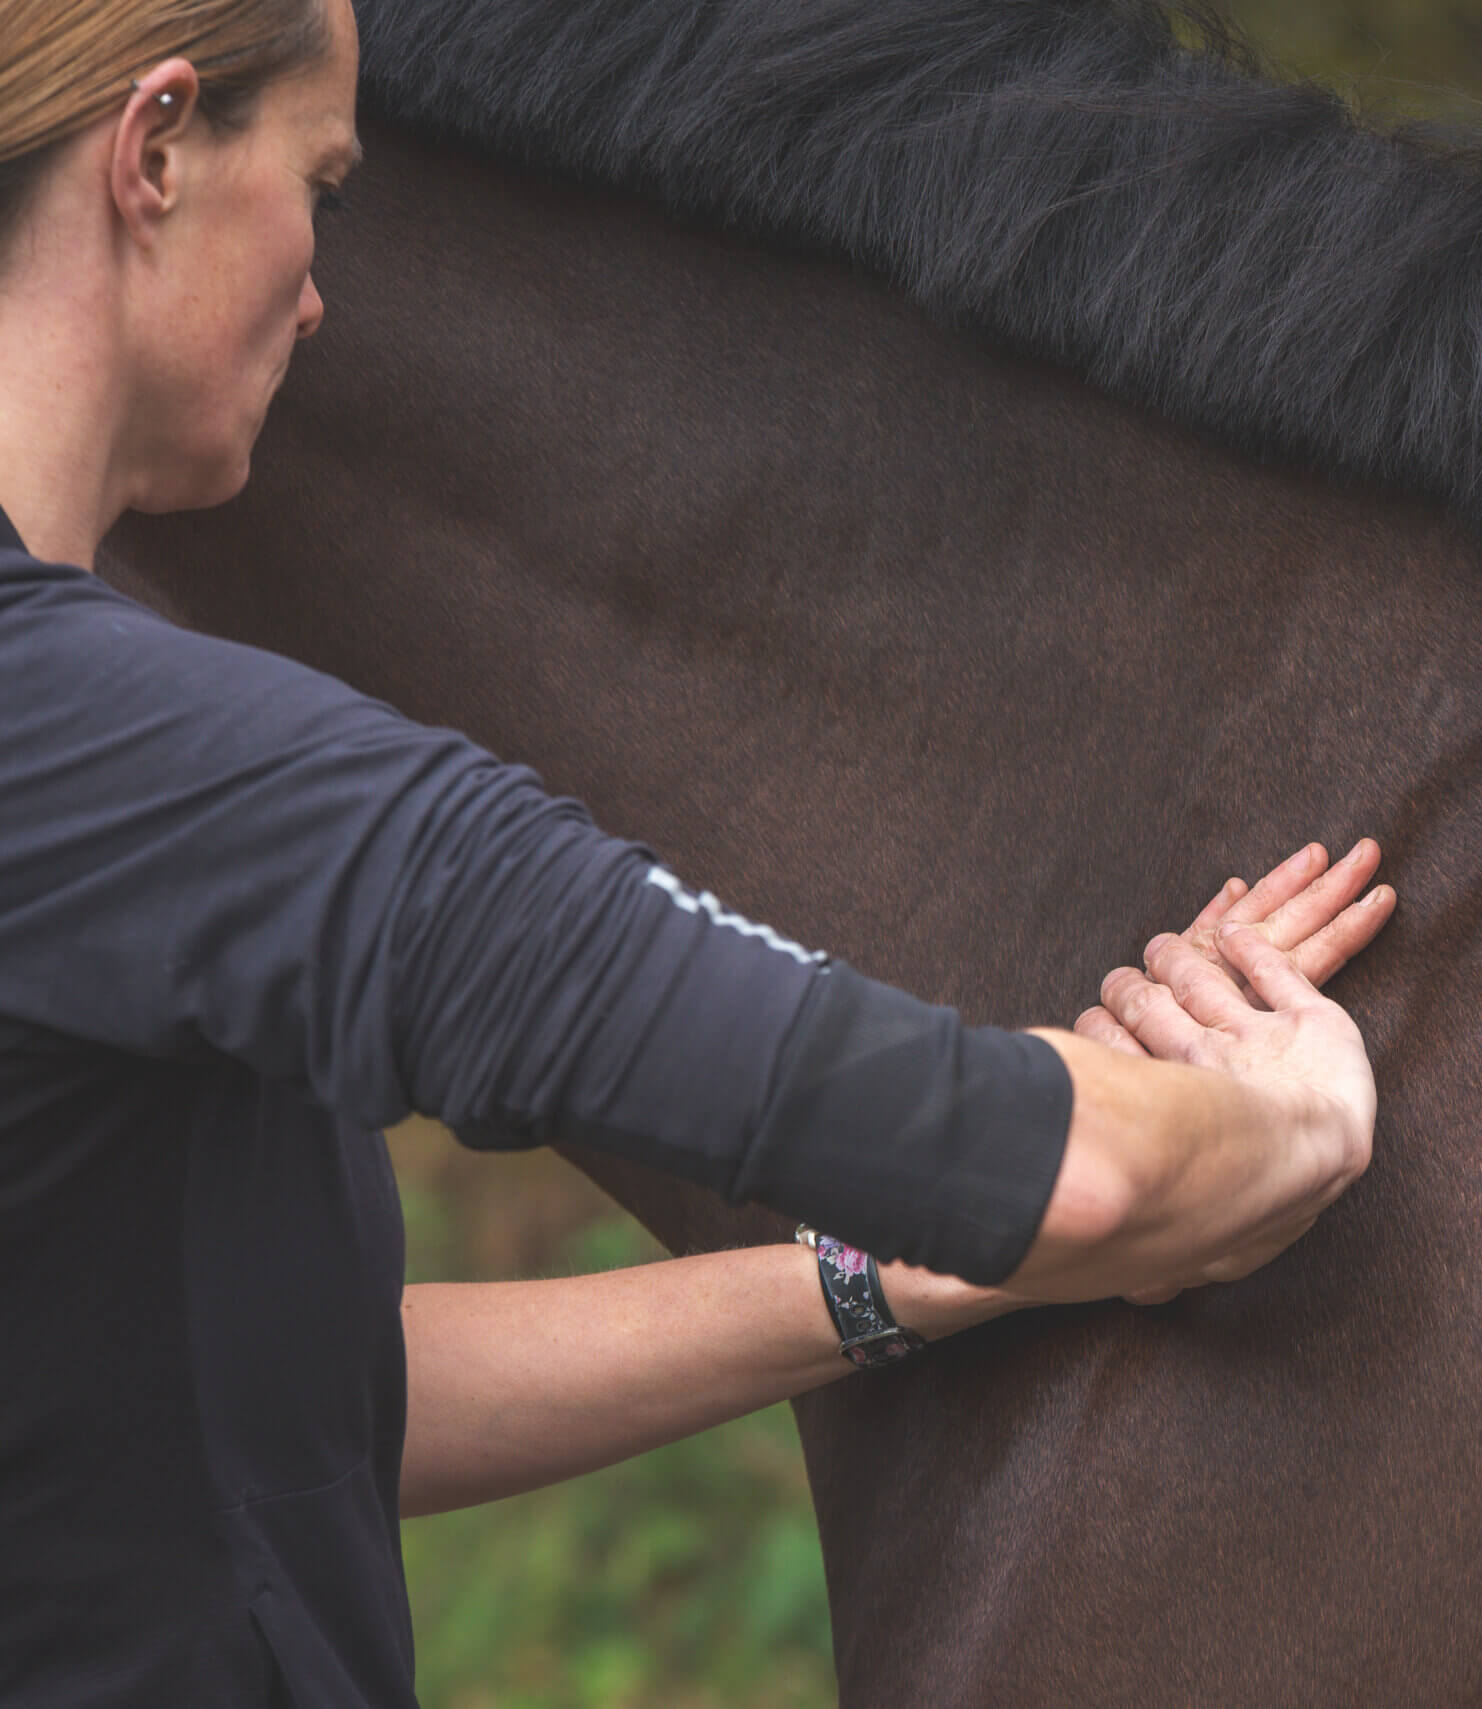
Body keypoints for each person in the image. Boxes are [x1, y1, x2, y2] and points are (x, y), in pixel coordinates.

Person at [0, 0, 1396, 1701]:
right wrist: (1276, 1114)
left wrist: (904, 1283)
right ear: (150, 152)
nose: (316, 284)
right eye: (325, 185)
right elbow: (1074, 1167)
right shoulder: (152, 766)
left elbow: (289, 1391)